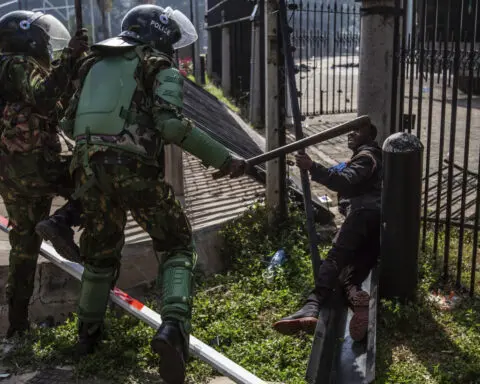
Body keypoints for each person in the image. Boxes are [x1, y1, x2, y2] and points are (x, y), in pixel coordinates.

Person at [55, 5, 247, 383]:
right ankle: (173, 328)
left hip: (87, 169)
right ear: (160, 36)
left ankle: (87, 336)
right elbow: (171, 125)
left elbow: (66, 120)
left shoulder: (91, 64)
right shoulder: (157, 65)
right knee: (175, 245)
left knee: (100, 254)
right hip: (133, 170)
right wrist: (224, 158)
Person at [0, 10, 88, 339]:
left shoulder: (3, 67)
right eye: (45, 38)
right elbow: (43, 96)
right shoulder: (19, 64)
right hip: (37, 165)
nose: (48, 44)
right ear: (29, 38)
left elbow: (56, 106)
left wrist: (69, 70)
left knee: (23, 245)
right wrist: (71, 58)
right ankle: (63, 221)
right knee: (98, 181)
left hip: (10, 171)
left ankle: (18, 325)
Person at [273, 122, 382, 342]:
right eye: (350, 130)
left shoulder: (367, 157)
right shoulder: (362, 159)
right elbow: (337, 172)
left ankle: (312, 305)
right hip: (376, 226)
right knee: (350, 275)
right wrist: (312, 166)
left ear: (370, 135)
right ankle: (358, 300)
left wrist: (312, 166)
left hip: (361, 216)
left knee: (334, 259)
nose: (351, 133)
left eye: (357, 130)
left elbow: (344, 179)